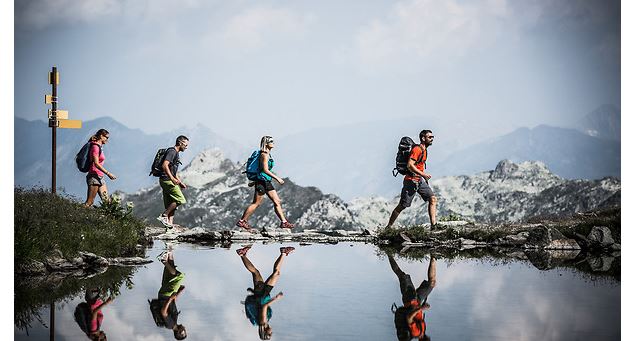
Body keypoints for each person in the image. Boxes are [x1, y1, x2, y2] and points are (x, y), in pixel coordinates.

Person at [236, 136, 294, 232]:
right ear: (266, 143)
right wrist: (277, 178)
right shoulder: (264, 155)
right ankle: (242, 221)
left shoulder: (268, 154)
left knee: (277, 201)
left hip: (266, 181)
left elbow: (260, 170)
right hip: (262, 182)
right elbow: (265, 170)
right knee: (256, 203)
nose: (273, 143)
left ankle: (284, 222)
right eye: (271, 141)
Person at [236, 245, 295, 340]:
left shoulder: (262, 321)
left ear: (265, 332)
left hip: (261, 295)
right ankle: (283, 252)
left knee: (260, 273)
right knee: (272, 273)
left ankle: (242, 254)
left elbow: (264, 306)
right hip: (262, 295)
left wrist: (276, 298)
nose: (272, 332)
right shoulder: (262, 322)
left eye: (270, 334)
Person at [386, 130, 437, 229]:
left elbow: (420, 165)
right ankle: (389, 226)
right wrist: (424, 174)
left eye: (432, 137)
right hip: (411, 181)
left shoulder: (424, 150)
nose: (432, 139)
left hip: (419, 180)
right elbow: (410, 165)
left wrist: (423, 177)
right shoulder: (417, 150)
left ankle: (433, 226)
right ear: (423, 138)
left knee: (432, 199)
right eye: (430, 137)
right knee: (402, 206)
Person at [388, 253, 436, 341]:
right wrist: (421, 306)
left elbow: (409, 318)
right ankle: (433, 256)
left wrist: (422, 308)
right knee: (432, 283)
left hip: (409, 300)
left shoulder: (416, 333)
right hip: (418, 300)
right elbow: (418, 316)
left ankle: (388, 253)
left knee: (402, 275)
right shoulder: (422, 331)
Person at [149, 250, 187, 340]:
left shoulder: (170, 325)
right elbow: (172, 305)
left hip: (166, 294)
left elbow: (163, 312)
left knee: (180, 276)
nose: (185, 329)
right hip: (165, 294)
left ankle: (163, 260)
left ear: (179, 332)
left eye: (184, 332)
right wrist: (179, 293)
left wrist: (170, 298)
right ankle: (169, 250)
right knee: (171, 269)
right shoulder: (174, 322)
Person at [157, 136, 189, 229]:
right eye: (185, 145)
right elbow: (164, 165)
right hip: (167, 180)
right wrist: (172, 179)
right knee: (180, 199)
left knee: (170, 203)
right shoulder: (172, 152)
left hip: (165, 180)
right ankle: (164, 216)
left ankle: (169, 225)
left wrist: (179, 182)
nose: (186, 147)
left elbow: (173, 170)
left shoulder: (176, 153)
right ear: (180, 143)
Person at [83, 129, 117, 207]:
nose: (107, 140)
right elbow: (96, 163)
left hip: (100, 177)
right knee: (89, 202)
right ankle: (72, 214)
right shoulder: (95, 147)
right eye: (106, 137)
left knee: (107, 202)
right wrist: (108, 173)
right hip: (94, 176)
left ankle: (109, 218)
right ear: (101, 136)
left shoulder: (99, 147)